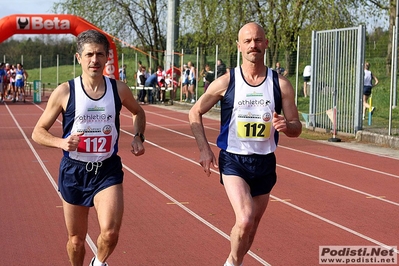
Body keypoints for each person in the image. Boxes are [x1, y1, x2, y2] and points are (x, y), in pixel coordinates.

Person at [188, 22, 302, 266]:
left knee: (251, 228)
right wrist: (204, 149)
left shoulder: (280, 84)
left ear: (266, 44)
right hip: (234, 160)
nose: (253, 45)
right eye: (248, 41)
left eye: (258, 40)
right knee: (246, 219)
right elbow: (194, 112)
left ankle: (233, 261)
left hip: (265, 161)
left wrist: (286, 126)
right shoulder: (227, 81)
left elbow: (296, 126)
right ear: (239, 46)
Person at [31, 29, 146, 266]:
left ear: (107, 58)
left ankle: (98, 262)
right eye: (90, 54)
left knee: (111, 232)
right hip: (74, 171)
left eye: (100, 54)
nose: (95, 60)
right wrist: (61, 142)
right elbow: (38, 132)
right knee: (76, 241)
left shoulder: (118, 89)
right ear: (79, 58)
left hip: (107, 169)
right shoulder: (65, 91)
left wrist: (138, 136)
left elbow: (138, 112)